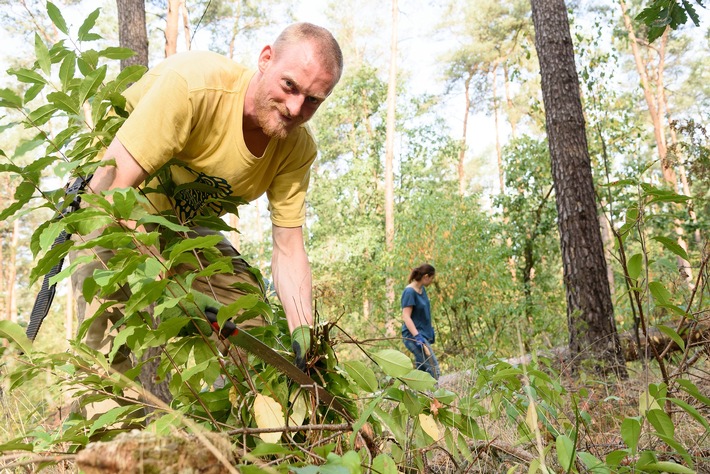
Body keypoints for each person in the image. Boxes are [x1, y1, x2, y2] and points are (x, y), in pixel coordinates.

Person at [70, 22, 343, 375]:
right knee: (107, 351)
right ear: (265, 59)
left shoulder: (297, 149)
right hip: (108, 204)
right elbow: (113, 187)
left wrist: (305, 333)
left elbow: (289, 249)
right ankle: (100, 421)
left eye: (312, 100)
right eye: (289, 85)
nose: (295, 108)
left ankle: (237, 422)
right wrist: (174, 283)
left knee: (247, 315)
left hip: (179, 225)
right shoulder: (194, 86)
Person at [400, 263, 440, 380]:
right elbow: (406, 316)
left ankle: (417, 396)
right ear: (426, 276)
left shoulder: (422, 290)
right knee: (433, 369)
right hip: (414, 337)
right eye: (432, 278)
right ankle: (437, 397)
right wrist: (417, 336)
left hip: (424, 335)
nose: (432, 281)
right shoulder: (409, 292)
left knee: (421, 372)